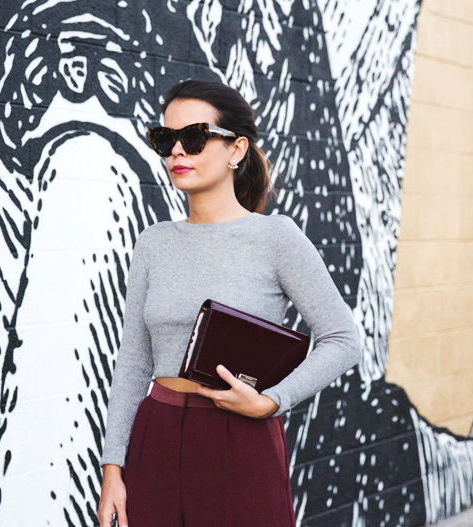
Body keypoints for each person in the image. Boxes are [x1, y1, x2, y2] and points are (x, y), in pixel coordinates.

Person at [97, 79, 361, 527]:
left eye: (195, 137)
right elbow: (133, 362)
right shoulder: (153, 243)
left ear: (236, 150)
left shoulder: (275, 237)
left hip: (239, 437)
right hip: (155, 436)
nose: (177, 151)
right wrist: (112, 469)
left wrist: (273, 401)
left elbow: (343, 339)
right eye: (166, 139)